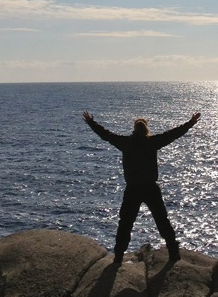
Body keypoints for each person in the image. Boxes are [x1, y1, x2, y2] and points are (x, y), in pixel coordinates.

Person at [82, 109, 201, 264]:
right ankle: (173, 253)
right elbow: (173, 134)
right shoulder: (152, 142)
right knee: (162, 221)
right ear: (146, 129)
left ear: (134, 129)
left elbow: (106, 135)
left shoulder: (125, 143)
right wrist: (190, 123)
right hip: (150, 188)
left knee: (125, 223)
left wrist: (91, 122)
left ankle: (118, 256)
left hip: (133, 189)